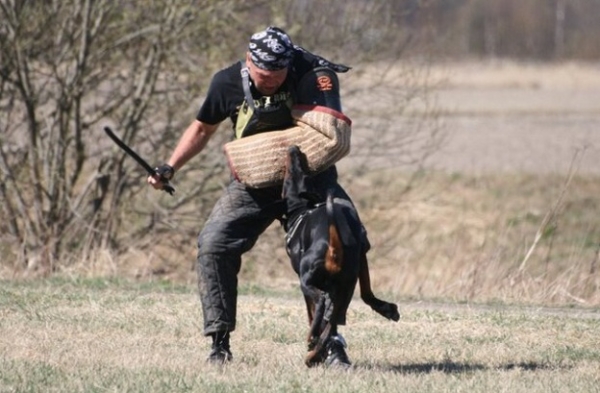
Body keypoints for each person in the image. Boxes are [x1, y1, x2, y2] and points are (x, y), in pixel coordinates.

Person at [148, 26, 369, 366]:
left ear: (289, 64)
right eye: (263, 75)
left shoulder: (310, 73)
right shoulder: (226, 83)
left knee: (343, 234)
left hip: (311, 177)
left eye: (278, 75)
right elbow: (202, 128)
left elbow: (331, 134)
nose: (271, 81)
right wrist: (169, 166)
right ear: (249, 61)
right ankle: (219, 343)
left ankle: (331, 341)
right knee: (213, 243)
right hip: (254, 184)